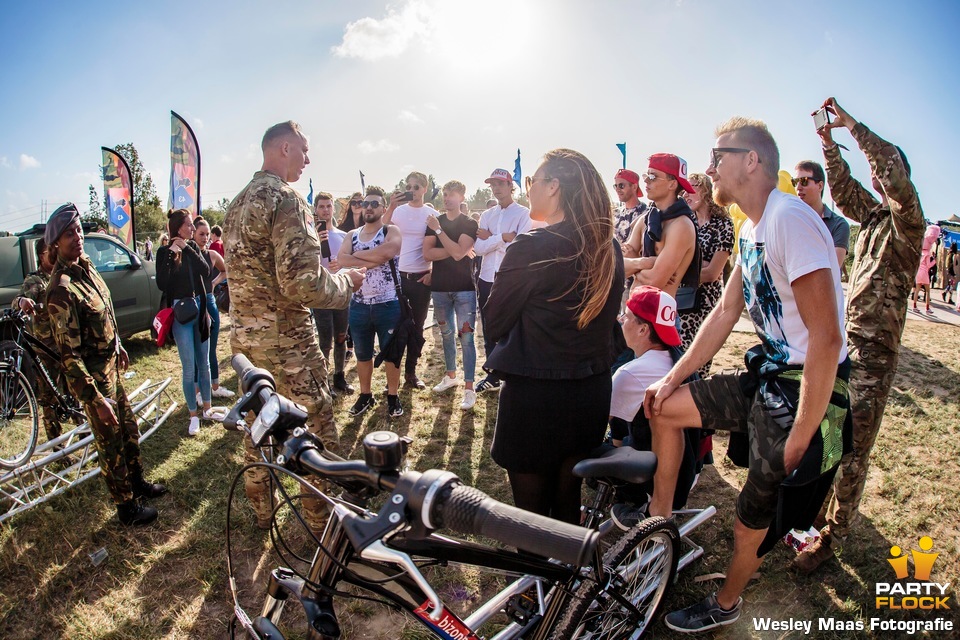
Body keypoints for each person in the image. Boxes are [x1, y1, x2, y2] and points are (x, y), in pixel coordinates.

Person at [644, 118, 847, 632]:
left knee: (748, 522)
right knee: (663, 408)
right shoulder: (752, 226)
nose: (709, 168)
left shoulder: (789, 220)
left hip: (801, 391)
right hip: (767, 376)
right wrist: (675, 376)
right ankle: (658, 529)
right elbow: (724, 313)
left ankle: (727, 603)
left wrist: (803, 433)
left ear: (751, 160)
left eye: (718, 156)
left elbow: (826, 338)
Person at [794, 98, 926, 573]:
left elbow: (888, 168)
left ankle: (832, 535)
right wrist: (828, 145)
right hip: (848, 345)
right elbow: (847, 189)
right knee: (830, 432)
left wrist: (851, 126)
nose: (877, 182)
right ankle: (813, 516)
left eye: (884, 178)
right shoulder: (872, 219)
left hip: (876, 355)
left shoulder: (911, 224)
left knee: (853, 449)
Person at [224, 120, 364, 532]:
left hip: (247, 343)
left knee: (260, 427)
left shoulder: (236, 203)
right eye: (303, 149)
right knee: (315, 428)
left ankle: (263, 514)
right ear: (283, 148)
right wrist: (346, 284)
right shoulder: (285, 199)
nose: (308, 158)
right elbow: (302, 283)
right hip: (288, 345)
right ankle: (325, 524)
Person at [485, 149, 625, 525]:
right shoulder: (607, 246)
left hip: (536, 396)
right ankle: (568, 580)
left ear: (554, 186)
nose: (528, 190)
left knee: (531, 520)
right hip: (589, 394)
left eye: (532, 181)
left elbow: (495, 321)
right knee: (567, 503)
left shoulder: (532, 247)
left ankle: (539, 583)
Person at [44, 203, 167, 526]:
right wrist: (95, 400)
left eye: (78, 230)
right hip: (94, 380)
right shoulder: (61, 289)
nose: (77, 237)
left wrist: (119, 345)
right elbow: (68, 356)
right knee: (110, 443)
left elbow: (106, 311)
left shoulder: (87, 268)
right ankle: (126, 507)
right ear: (56, 243)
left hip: (112, 368)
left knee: (128, 429)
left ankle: (137, 483)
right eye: (69, 234)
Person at [338, 187, 404, 417]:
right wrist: (372, 257)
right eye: (365, 203)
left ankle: (393, 396)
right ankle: (365, 395)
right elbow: (341, 259)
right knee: (362, 353)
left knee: (391, 354)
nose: (368, 207)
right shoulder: (352, 235)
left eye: (374, 204)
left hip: (388, 304)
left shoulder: (390, 230)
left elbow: (389, 252)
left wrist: (356, 259)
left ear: (383, 208)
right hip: (358, 305)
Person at [156, 210, 219, 436]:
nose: (193, 229)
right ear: (178, 228)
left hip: (200, 310)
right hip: (181, 314)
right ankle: (193, 415)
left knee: (205, 362)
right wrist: (172, 254)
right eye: (189, 226)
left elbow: (206, 271)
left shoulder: (192, 248)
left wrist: (186, 249)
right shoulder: (164, 251)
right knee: (188, 367)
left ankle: (208, 409)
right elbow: (162, 283)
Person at [623, 155, 699, 335]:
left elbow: (654, 281)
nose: (646, 182)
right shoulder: (646, 219)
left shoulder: (681, 225)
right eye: (645, 175)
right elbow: (616, 266)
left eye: (653, 177)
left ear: (673, 184)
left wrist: (633, 266)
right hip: (632, 316)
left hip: (658, 321)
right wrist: (645, 263)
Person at [473, 168, 531, 394]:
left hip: (512, 277)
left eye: (500, 184)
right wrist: (503, 237)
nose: (496, 188)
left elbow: (521, 248)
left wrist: (494, 240)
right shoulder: (487, 215)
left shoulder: (523, 213)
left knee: (513, 325)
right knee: (489, 325)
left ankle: (512, 371)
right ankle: (492, 374)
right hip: (487, 276)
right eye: (493, 185)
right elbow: (478, 249)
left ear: (510, 186)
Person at [423, 180, 479, 411]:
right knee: (446, 335)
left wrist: (439, 232)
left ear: (462, 196)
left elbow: (457, 255)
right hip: (440, 288)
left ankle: (469, 388)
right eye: (445, 194)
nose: (447, 198)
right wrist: (457, 248)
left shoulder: (469, 223)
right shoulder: (436, 220)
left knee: (466, 338)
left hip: (464, 288)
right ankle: (450, 376)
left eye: (452, 194)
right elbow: (428, 253)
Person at [382, 172, 432, 389]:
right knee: (394, 327)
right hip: (398, 278)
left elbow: (437, 244)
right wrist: (391, 207)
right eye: (409, 186)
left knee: (417, 327)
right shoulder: (399, 212)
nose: (413, 190)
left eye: (417, 186)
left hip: (422, 278)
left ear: (425, 189)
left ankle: (411, 373)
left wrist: (433, 273)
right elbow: (380, 229)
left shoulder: (431, 213)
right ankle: (393, 375)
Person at [12, 237, 64, 441]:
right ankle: (58, 447)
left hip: (66, 344)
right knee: (49, 399)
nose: (54, 254)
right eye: (49, 251)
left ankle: (85, 434)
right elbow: (18, 300)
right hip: (45, 348)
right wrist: (23, 301)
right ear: (41, 256)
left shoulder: (62, 274)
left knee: (76, 392)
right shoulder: (35, 280)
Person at [683, 173, 734, 377]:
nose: (686, 194)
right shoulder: (686, 223)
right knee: (677, 360)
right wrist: (697, 266)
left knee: (697, 365)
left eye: (691, 189)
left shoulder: (724, 225)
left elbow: (713, 273)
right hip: (681, 301)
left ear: (705, 191)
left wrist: (680, 269)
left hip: (704, 304)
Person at [311, 191, 352, 395]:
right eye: (321, 207)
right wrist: (316, 242)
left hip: (341, 293)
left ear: (333, 208)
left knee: (341, 337)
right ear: (315, 210)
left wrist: (341, 264)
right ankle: (323, 381)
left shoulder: (343, 236)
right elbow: (306, 265)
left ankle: (339, 376)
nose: (325, 211)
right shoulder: (309, 237)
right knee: (324, 340)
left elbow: (350, 262)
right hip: (320, 294)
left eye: (328, 206)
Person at [192, 217, 233, 400]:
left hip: (210, 301)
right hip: (195, 302)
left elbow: (226, 270)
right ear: (193, 233)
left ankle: (215, 386)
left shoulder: (212, 255)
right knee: (197, 350)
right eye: (201, 234)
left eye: (207, 234)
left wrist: (215, 282)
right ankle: (198, 391)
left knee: (212, 348)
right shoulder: (189, 255)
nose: (205, 237)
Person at [793, 161, 850, 271]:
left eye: (803, 181)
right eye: (795, 182)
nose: (798, 187)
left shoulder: (839, 225)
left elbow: (832, 268)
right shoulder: (791, 222)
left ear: (820, 186)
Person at [612, 169, 648, 246]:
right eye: (615, 186)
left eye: (621, 186)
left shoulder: (646, 214)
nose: (617, 189)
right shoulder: (614, 214)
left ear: (634, 187)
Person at [911, 225, 939, 314]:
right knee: (927, 291)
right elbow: (928, 265)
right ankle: (927, 309)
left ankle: (914, 306)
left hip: (918, 272)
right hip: (924, 273)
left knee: (917, 289)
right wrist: (934, 261)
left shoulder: (920, 253)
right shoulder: (927, 254)